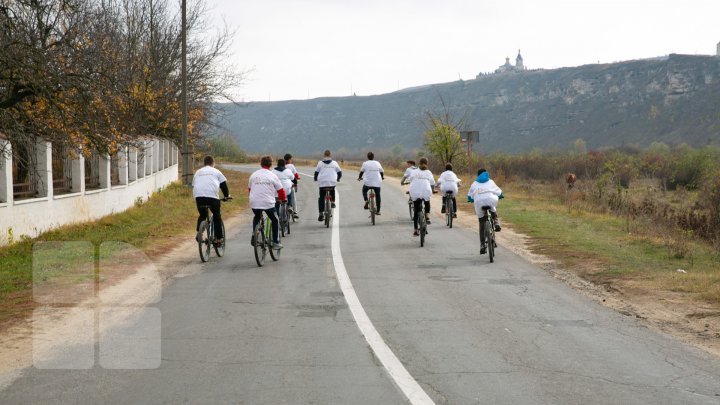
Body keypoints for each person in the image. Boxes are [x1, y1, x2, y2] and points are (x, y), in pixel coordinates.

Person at [249, 156, 286, 249]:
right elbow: (281, 190)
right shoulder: (273, 175)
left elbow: (250, 189)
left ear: (261, 164)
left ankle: (254, 234)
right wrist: (283, 199)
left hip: (254, 202)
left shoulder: (254, 175)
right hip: (268, 203)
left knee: (257, 216)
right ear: (270, 165)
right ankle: (275, 242)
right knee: (275, 219)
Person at [192, 155, 231, 244]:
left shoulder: (198, 172)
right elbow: (223, 185)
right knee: (216, 215)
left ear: (204, 163)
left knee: (202, 215)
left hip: (199, 197)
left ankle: (199, 232)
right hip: (212, 197)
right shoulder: (216, 171)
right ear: (213, 163)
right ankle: (218, 239)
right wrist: (226, 196)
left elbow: (194, 185)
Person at [467, 168, 503, 254]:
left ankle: (482, 245)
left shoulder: (474, 183)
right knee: (493, 208)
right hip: (490, 200)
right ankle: (496, 222)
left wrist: (471, 200)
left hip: (479, 202)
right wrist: (501, 195)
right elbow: (499, 192)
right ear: (486, 174)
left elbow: (469, 196)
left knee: (482, 222)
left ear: (478, 175)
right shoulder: (490, 181)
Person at [408, 157, 436, 236]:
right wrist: (432, 190)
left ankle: (415, 230)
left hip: (415, 192)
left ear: (419, 163)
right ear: (427, 164)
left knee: (416, 211)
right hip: (426, 191)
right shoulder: (428, 172)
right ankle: (427, 216)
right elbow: (432, 183)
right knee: (427, 201)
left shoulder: (414, 172)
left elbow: (410, 180)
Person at [314, 149, 342, 221]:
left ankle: (321, 213)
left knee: (321, 197)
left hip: (322, 183)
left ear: (324, 155)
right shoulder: (334, 163)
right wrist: (338, 178)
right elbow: (339, 173)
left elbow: (316, 173)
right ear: (330, 155)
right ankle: (332, 202)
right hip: (332, 182)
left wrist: (315, 179)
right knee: (332, 190)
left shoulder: (320, 163)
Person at [283, 153, 300, 219]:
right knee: (293, 198)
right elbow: (296, 175)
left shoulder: (282, 165)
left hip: (282, 186)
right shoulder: (291, 166)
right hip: (290, 184)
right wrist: (298, 178)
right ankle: (295, 212)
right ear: (289, 159)